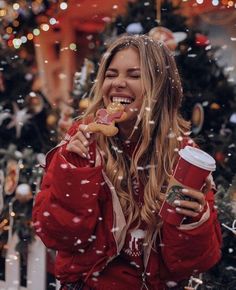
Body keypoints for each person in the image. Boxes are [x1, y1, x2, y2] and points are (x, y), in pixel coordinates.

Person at [33, 35, 222, 290]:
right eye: (111, 75)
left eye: (134, 75)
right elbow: (59, 236)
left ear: (160, 87)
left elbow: (190, 264)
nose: (118, 83)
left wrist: (193, 221)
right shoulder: (81, 142)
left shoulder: (184, 156)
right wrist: (75, 172)